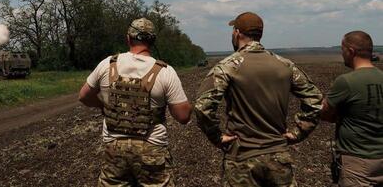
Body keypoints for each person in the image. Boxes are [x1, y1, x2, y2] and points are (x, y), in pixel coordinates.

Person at [194, 12, 323, 187]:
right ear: (259, 35)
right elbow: (315, 100)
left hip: (241, 159)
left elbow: (203, 107)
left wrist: (217, 137)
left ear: (237, 33)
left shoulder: (227, 67)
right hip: (278, 157)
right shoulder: (285, 65)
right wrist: (297, 133)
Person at [79, 18, 192, 187]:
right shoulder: (165, 72)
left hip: (114, 148)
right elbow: (183, 116)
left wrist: (104, 106)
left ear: (128, 38)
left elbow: (84, 96)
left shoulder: (107, 64)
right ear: (152, 41)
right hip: (152, 148)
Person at [321, 31, 383, 186]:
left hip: (357, 162)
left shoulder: (346, 82)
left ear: (351, 51)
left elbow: (324, 113)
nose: (342, 55)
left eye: (342, 50)